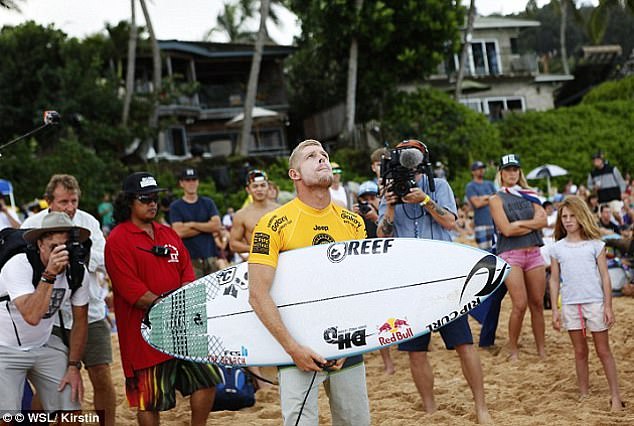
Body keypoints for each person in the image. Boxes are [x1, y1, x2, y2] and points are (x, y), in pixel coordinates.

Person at [248, 140, 370, 426]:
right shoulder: (273, 223)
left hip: (346, 343)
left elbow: (362, 288)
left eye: (324, 155)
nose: (322, 159)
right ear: (295, 174)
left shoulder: (353, 223)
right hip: (296, 347)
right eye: (311, 156)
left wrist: (349, 343)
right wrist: (293, 349)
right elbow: (257, 294)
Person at [377, 139, 490, 423]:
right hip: (409, 282)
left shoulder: (438, 186)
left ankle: (481, 408)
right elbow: (382, 236)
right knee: (416, 352)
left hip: (443, 280)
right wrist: (390, 207)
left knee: (464, 344)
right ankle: (429, 410)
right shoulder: (389, 190)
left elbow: (451, 222)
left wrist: (425, 201)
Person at [105, 172, 221, 426]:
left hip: (182, 327)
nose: (152, 203)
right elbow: (131, 290)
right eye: (145, 198)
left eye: (155, 197)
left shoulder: (167, 233)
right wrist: (171, 306)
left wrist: (185, 297)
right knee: (149, 399)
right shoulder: (117, 239)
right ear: (128, 202)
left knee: (208, 379)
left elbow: (187, 271)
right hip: (144, 332)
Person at [21, 174, 116, 425]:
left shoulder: (88, 222)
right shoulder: (32, 225)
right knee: (49, 382)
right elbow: (22, 267)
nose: (70, 207)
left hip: (90, 310)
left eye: (74, 201)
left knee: (102, 375)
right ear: (48, 201)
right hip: (49, 316)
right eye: (63, 202)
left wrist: (78, 258)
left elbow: (104, 258)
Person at [0, 211, 89, 412]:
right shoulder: (19, 264)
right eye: (54, 247)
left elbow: (81, 321)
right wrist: (49, 274)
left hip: (44, 344)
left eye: (65, 247)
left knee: (71, 410)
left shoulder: (77, 270)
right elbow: (32, 316)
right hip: (3, 347)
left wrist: (74, 366)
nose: (61, 254)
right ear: (40, 245)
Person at [548, 195, 623, 411]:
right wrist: (555, 309)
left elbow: (605, 277)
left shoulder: (595, 245)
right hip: (571, 305)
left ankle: (615, 395)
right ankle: (583, 393)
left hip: (595, 303)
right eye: (564, 217)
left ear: (582, 217)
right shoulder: (557, 248)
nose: (568, 220)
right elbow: (554, 280)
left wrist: (608, 306)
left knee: (603, 350)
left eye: (572, 216)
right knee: (579, 351)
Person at [489, 154, 547, 361]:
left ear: (519, 172)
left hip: (533, 252)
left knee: (538, 303)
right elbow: (505, 230)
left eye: (515, 169)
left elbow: (543, 221)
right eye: (508, 170)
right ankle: (512, 347)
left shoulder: (529, 194)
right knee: (520, 303)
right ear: (501, 173)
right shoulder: (496, 198)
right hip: (510, 253)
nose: (512, 173)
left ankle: (541, 349)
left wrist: (519, 226)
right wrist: (529, 224)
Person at [353, 180, 396, 375]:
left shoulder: (386, 213)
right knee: (378, 317)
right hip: (367, 270)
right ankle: (388, 363)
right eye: (365, 199)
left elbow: (389, 235)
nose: (368, 202)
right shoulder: (354, 219)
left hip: (386, 267)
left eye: (372, 198)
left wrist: (377, 215)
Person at [465, 160, 507, 349]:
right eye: (478, 168)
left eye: (482, 168)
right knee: (487, 263)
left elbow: (489, 199)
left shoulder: (488, 184)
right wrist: (489, 198)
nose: (481, 170)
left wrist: (487, 199)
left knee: (494, 262)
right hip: (482, 224)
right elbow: (477, 202)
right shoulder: (471, 186)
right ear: (474, 171)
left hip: (492, 222)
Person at [169, 167, 221, 278]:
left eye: (194, 180)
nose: (191, 183)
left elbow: (216, 226)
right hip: (190, 258)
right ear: (181, 183)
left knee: (215, 292)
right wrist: (206, 226)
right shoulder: (176, 206)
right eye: (188, 180)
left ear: (198, 182)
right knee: (196, 292)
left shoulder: (208, 202)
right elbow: (179, 232)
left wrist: (191, 224)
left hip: (210, 255)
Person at [230, 169, 279, 265]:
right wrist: (256, 248)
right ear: (248, 190)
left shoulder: (280, 210)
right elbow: (233, 244)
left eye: (262, 185)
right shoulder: (241, 215)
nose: (259, 189)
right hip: (259, 262)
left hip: (282, 258)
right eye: (255, 186)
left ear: (268, 187)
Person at [587, 152, 626, 222]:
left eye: (598, 159)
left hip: (614, 198)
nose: (596, 161)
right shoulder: (592, 173)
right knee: (602, 219)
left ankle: (621, 228)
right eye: (594, 160)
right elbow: (589, 185)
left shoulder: (612, 169)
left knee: (617, 216)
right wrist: (594, 187)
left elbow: (621, 182)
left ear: (602, 160)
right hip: (602, 200)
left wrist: (622, 192)